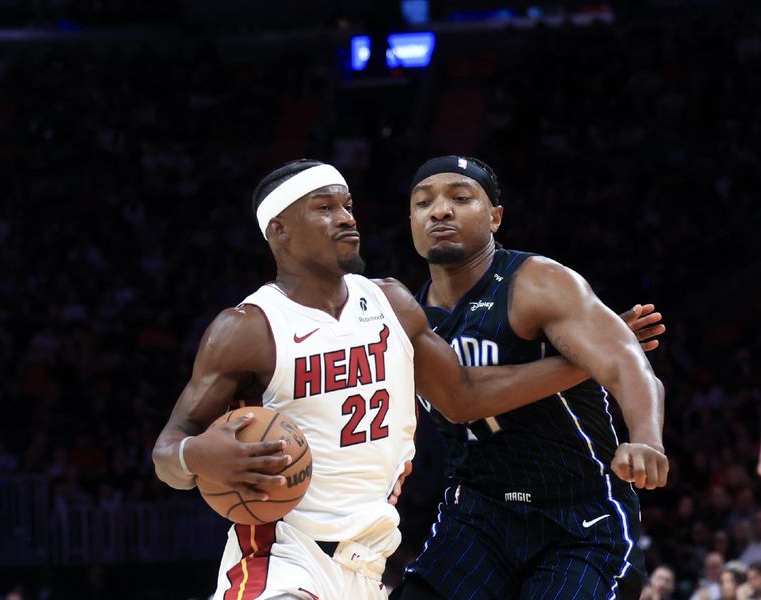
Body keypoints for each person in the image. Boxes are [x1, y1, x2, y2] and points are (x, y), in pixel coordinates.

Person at [153, 159, 659, 600]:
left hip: (371, 564)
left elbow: (464, 397)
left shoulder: (391, 303)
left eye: (348, 205)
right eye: (325, 208)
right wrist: (193, 456)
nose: (347, 218)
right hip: (284, 555)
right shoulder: (246, 328)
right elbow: (168, 452)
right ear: (279, 230)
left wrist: (591, 362)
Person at [393, 155, 670, 600]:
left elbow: (626, 362)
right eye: (424, 202)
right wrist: (581, 364)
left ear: (496, 217)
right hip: (477, 515)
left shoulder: (536, 282)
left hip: (578, 516)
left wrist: (646, 438)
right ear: (411, 220)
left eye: (460, 198)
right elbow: (462, 398)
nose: (440, 210)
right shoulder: (408, 315)